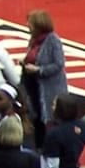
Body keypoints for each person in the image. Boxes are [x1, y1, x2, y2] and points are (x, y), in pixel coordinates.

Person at [23, 9, 68, 145]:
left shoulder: (53, 40)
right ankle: (40, 147)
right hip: (34, 86)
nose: (27, 25)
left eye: (30, 23)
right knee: (37, 118)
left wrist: (39, 70)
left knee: (51, 120)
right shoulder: (34, 40)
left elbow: (59, 64)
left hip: (50, 88)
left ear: (39, 25)